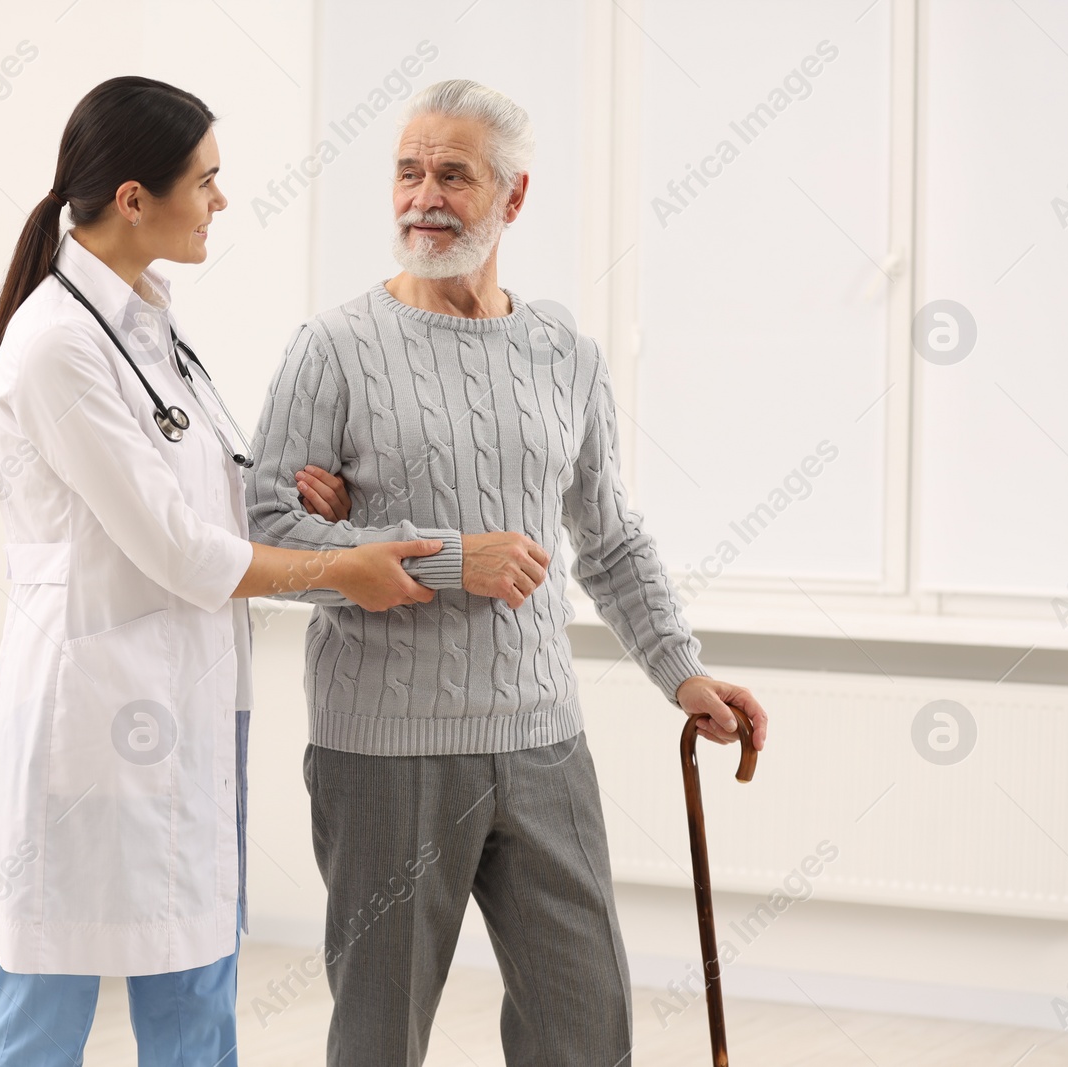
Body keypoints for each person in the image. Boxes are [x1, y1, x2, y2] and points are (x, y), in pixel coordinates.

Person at [245, 78, 770, 1066]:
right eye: (406, 172)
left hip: (542, 738)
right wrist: (449, 559)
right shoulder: (332, 350)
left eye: (453, 174)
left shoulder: (563, 353)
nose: (422, 196)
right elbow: (264, 546)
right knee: (379, 1037)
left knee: (584, 1025)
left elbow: (607, 537)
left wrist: (682, 671)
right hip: (385, 752)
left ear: (513, 197)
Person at [0, 75, 449, 1067]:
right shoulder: (55, 346)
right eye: (207, 181)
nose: (222, 201)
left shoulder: (152, 328)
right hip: (92, 718)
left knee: (196, 987)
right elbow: (176, 550)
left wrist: (302, 505)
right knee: (45, 1007)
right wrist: (341, 571)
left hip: (189, 703)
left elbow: (204, 502)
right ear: (134, 196)